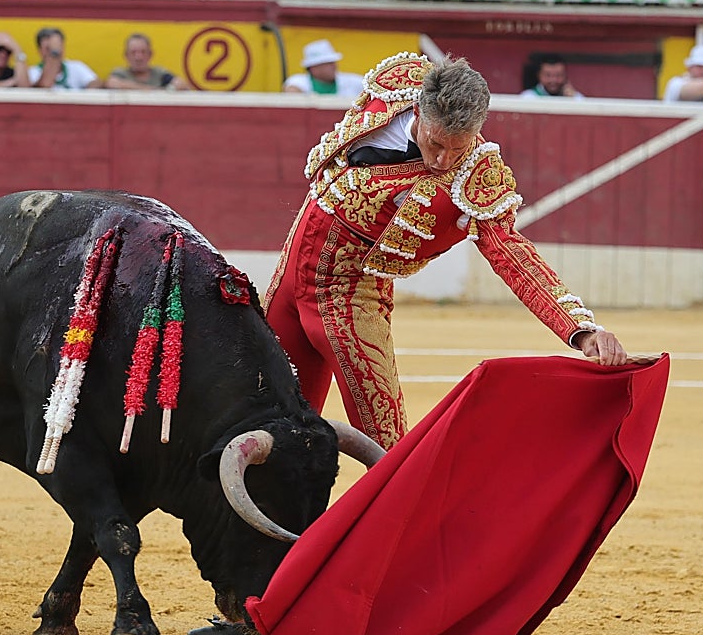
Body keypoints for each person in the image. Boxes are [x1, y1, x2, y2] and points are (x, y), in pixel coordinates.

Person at [263, 53, 627, 452]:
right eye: (436, 144)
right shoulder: (395, 84)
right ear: (418, 110)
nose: (443, 160)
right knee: (268, 413)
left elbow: (513, 255)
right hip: (290, 274)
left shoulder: (476, 177)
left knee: (384, 443)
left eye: (458, 148)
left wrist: (581, 330)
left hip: (349, 298)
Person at [106, 33, 189, 91]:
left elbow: (181, 83)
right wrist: (154, 90)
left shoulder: (159, 73)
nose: (138, 57)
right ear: (126, 56)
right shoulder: (121, 73)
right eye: (133, 53)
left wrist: (169, 90)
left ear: (150, 54)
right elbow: (112, 83)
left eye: (143, 52)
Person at [283, 39, 365, 96]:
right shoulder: (299, 81)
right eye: (327, 63)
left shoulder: (352, 81)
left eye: (333, 62)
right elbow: (291, 89)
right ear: (313, 68)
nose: (334, 66)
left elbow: (367, 85)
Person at [29, 26, 101, 90]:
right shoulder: (33, 72)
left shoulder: (76, 67)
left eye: (58, 46)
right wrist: (54, 55)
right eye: (48, 48)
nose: (56, 50)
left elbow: (95, 83)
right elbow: (43, 87)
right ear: (40, 50)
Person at [519, 53, 584, 98]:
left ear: (565, 76)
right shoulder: (528, 97)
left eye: (558, 75)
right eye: (548, 75)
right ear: (539, 75)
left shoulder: (574, 97)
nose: (553, 80)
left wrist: (573, 99)